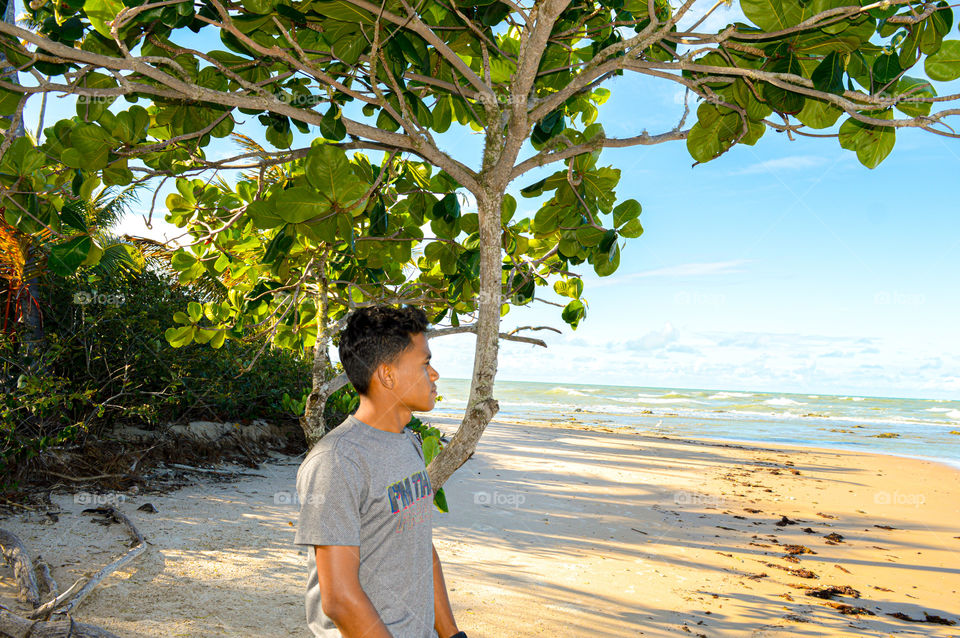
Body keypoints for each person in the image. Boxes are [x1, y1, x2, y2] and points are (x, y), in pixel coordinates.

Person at [294, 305, 466, 638]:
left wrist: (452, 634)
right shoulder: (337, 460)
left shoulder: (409, 443)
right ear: (387, 375)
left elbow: (420, 545)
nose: (435, 375)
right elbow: (339, 600)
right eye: (425, 363)